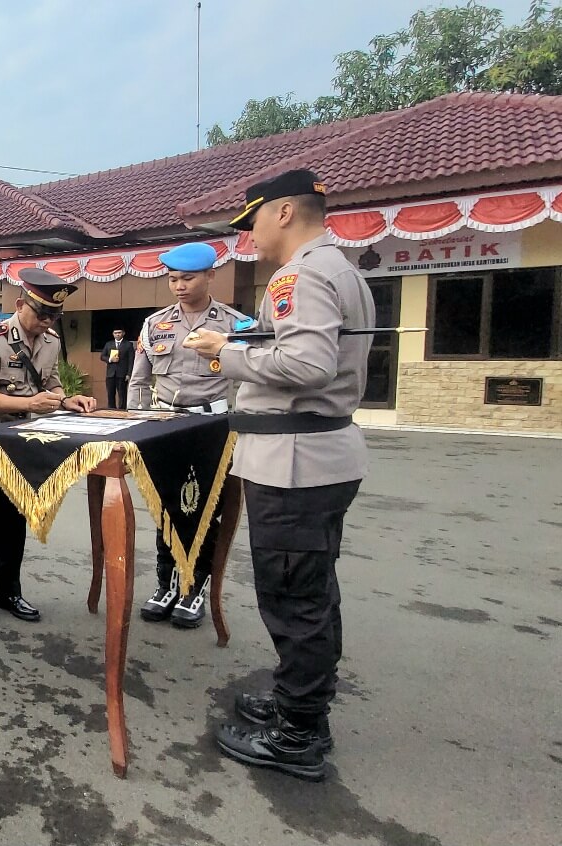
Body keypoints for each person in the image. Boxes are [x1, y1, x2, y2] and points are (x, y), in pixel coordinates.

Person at [183, 169, 374, 781]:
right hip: (314, 456)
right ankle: (301, 697)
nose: (250, 235)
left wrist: (225, 352)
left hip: (297, 461)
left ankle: (299, 734)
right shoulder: (338, 268)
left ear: (284, 212)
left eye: (254, 221)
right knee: (311, 591)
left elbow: (308, 362)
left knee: (294, 597)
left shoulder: (302, 274)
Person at [0, 268, 98, 626]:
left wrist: (68, 399)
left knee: (14, 520)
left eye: (54, 315)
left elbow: (51, 385)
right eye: (41, 313)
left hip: (25, 442)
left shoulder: (51, 341)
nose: (47, 321)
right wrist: (30, 404)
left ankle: (8, 592)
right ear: (21, 305)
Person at [130, 242, 249, 629]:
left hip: (211, 429)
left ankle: (193, 587)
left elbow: (250, 380)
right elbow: (140, 380)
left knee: (204, 512)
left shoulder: (234, 324)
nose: (179, 286)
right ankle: (165, 584)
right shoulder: (154, 323)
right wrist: (137, 423)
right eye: (173, 279)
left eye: (188, 277)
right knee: (165, 508)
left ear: (211, 275)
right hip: (165, 426)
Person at [99, 329, 134, 410]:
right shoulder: (108, 344)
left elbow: (131, 360)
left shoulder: (128, 345)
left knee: (122, 395)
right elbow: (102, 356)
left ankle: (122, 411)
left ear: (123, 333)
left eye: (119, 333)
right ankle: (111, 410)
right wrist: (110, 359)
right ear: (113, 334)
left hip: (122, 374)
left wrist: (129, 374)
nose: (117, 334)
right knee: (110, 394)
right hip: (110, 373)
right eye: (115, 333)